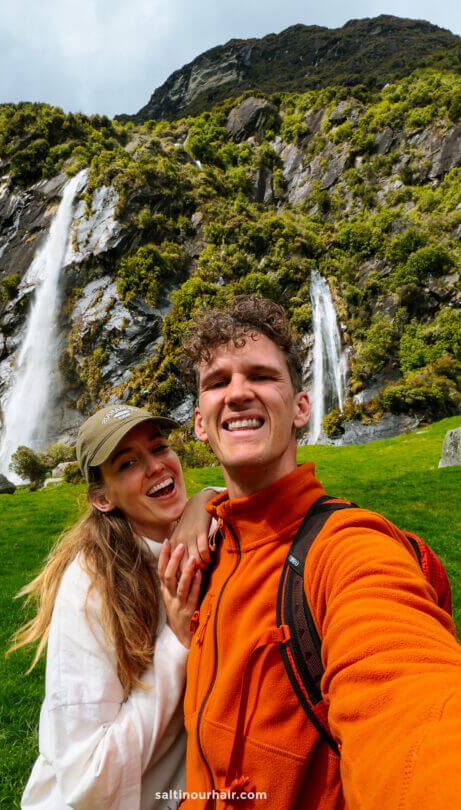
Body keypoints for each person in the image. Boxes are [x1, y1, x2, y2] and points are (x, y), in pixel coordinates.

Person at [168, 294, 461, 809]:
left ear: (302, 406)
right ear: (199, 422)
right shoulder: (205, 552)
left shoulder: (347, 549)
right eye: (218, 382)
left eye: (260, 376)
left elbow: (411, 704)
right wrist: (202, 501)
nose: (237, 394)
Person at [11, 405, 217, 810]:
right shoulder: (90, 587)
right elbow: (90, 779)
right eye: (128, 463)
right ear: (102, 497)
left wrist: (207, 499)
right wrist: (175, 641)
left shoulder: (202, 533)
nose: (157, 466)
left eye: (159, 448)